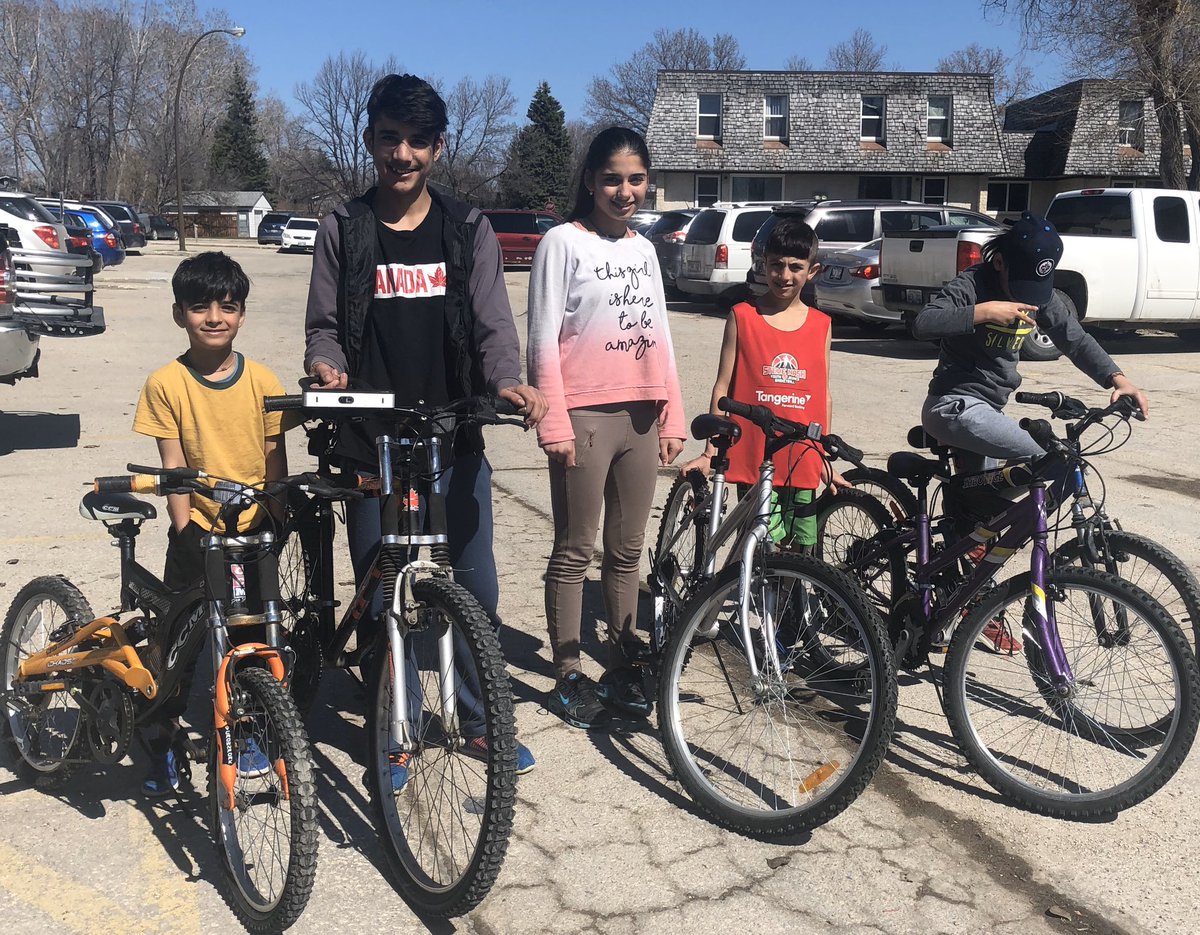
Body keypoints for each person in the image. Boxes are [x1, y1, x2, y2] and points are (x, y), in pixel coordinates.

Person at [303, 73, 545, 777]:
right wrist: (327, 368)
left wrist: (506, 382)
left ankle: (474, 717)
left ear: (439, 147)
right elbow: (323, 329)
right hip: (369, 438)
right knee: (383, 592)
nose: (401, 153)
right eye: (389, 138)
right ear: (370, 140)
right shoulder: (342, 228)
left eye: (416, 140)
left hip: (452, 433)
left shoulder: (467, 230)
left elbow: (496, 325)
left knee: (475, 587)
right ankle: (394, 727)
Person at [912, 211, 1150, 650]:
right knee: (1046, 462)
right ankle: (976, 532)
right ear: (1000, 262)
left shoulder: (1042, 296)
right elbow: (923, 322)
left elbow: (1074, 339)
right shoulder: (971, 285)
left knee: (993, 513)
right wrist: (982, 311)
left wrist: (1118, 380)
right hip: (953, 406)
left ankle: (967, 574)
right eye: (1021, 285)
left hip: (990, 414)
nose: (1030, 299)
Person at [528, 126, 686, 729]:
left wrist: (670, 411)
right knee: (574, 549)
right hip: (585, 416)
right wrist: (554, 422)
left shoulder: (644, 250)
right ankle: (568, 670)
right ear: (590, 181)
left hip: (641, 417)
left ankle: (623, 663)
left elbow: (662, 337)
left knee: (626, 552)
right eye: (612, 179)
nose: (625, 191)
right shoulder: (562, 243)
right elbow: (542, 336)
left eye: (636, 179)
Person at [132, 251, 287, 796]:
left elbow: (273, 458)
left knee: (254, 633)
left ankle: (251, 730)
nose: (215, 317)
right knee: (178, 641)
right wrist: (184, 530)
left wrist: (277, 515)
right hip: (197, 529)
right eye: (200, 307)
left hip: (251, 530)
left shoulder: (263, 381)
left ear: (242, 314)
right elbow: (172, 466)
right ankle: (161, 741)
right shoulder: (166, 383)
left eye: (228, 306)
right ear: (180, 314)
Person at [680, 218, 848, 550]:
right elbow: (722, 388)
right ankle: (754, 598)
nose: (784, 275)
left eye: (795, 267)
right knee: (761, 543)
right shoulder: (743, 316)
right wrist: (710, 451)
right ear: (764, 265)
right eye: (776, 265)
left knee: (802, 546)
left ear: (812, 271)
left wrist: (823, 460)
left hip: (800, 454)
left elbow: (821, 395)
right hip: (755, 453)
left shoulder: (822, 324)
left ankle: (789, 600)